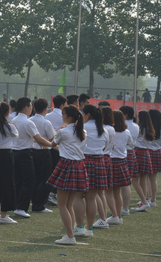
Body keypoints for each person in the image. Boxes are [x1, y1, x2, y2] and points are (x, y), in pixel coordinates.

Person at [47, 105, 87, 245]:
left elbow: (53, 144)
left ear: (69, 118)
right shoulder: (82, 131)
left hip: (66, 165)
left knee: (62, 204)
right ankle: (71, 234)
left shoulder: (63, 132)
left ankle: (70, 236)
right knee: (68, 205)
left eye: (63, 115)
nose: (62, 116)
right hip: (79, 166)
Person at [10, 98, 54, 219]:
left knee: (18, 181)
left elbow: (26, 137)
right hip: (25, 153)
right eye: (29, 106)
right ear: (26, 108)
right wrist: (52, 145)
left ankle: (17, 205)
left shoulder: (14, 120)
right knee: (29, 181)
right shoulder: (28, 122)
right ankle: (21, 207)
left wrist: (36, 141)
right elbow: (39, 138)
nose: (31, 109)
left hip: (15, 152)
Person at [73, 104, 108, 236]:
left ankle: (80, 227)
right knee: (91, 198)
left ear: (88, 115)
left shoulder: (82, 127)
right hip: (99, 161)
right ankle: (89, 228)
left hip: (83, 161)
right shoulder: (103, 130)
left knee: (78, 196)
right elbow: (105, 147)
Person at [106, 110, 133, 225]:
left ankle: (114, 215)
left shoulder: (109, 131)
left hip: (111, 161)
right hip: (122, 161)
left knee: (108, 192)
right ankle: (119, 216)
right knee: (117, 192)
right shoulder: (126, 132)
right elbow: (129, 143)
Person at [29, 98, 55, 214]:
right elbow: (52, 139)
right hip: (44, 152)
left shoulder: (30, 120)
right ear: (46, 109)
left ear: (34, 108)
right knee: (44, 179)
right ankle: (39, 205)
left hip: (31, 151)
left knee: (34, 178)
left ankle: (34, 201)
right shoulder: (46, 122)